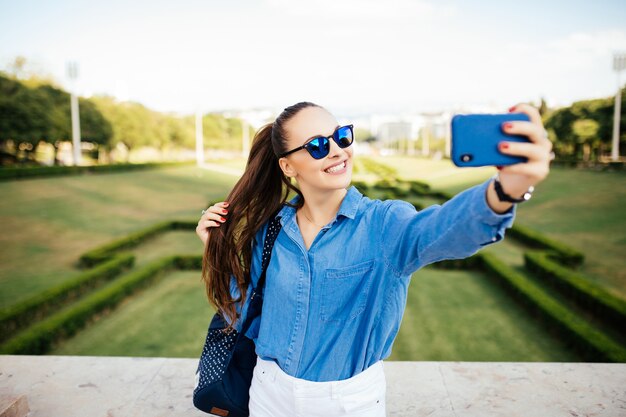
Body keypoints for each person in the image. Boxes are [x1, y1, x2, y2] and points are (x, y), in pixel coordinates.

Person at [195, 101, 553, 417]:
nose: (337, 150)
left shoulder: (385, 224)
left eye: (342, 136)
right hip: (268, 395)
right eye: (319, 146)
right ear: (288, 167)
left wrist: (506, 191)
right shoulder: (272, 230)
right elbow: (244, 312)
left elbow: (443, 230)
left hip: (348, 403)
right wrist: (213, 247)